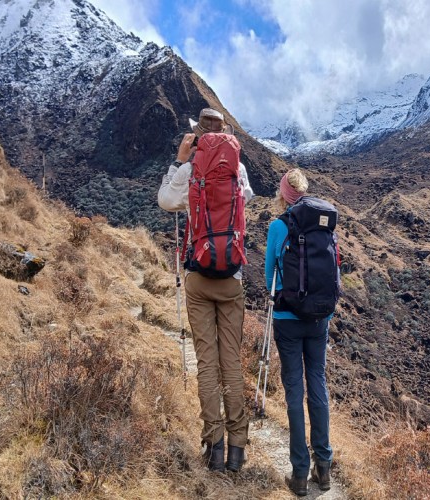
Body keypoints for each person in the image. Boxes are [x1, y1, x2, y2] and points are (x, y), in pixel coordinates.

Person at [157, 107, 254, 473]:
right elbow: (248, 199)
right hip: (232, 277)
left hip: (198, 276)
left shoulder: (189, 169)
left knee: (207, 362)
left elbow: (166, 201)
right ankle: (237, 450)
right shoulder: (238, 170)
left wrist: (179, 161)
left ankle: (213, 445)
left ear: (198, 135)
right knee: (231, 363)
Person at [265, 169, 334, 496]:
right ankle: (324, 469)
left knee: (294, 389)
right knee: (317, 382)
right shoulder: (324, 223)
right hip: (320, 318)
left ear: (283, 195)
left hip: (287, 318)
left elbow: (269, 277)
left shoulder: (279, 227)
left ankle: (299, 473)